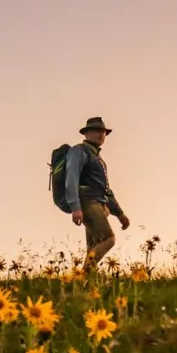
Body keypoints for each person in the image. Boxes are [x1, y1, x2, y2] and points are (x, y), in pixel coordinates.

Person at [64, 116, 131, 271]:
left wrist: (119, 213)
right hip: (87, 201)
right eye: (96, 131)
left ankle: (85, 285)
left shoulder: (98, 158)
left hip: (99, 203)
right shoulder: (79, 150)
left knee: (94, 246)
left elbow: (106, 189)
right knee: (108, 239)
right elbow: (71, 178)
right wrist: (75, 207)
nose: (101, 135)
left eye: (103, 132)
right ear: (86, 133)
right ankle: (84, 275)